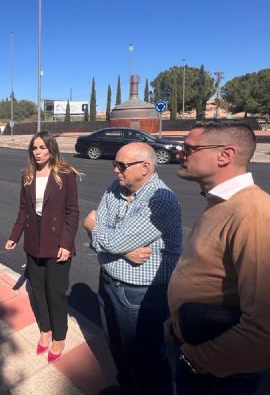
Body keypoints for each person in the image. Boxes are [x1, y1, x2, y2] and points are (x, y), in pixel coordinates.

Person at [168, 121, 270, 395]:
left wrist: (196, 360)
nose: (179, 154)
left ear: (225, 155)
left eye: (189, 148)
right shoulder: (221, 203)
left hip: (219, 376)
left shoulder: (255, 218)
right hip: (198, 350)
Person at [83, 142, 181, 395]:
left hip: (138, 294)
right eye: (114, 164)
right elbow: (109, 235)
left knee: (145, 357)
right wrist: (123, 248)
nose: (115, 170)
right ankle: (127, 387)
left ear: (145, 168)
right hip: (107, 281)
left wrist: (96, 230)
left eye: (121, 166)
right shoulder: (117, 187)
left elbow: (99, 229)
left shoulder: (161, 200)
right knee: (116, 345)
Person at [6, 131, 80, 363]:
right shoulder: (27, 174)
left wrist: (67, 244)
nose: (37, 152)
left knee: (55, 292)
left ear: (51, 149)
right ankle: (45, 331)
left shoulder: (65, 174)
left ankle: (59, 337)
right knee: (37, 290)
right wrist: (14, 236)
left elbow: (72, 211)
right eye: (34, 148)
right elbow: (23, 210)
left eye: (42, 148)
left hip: (58, 242)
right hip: (33, 240)